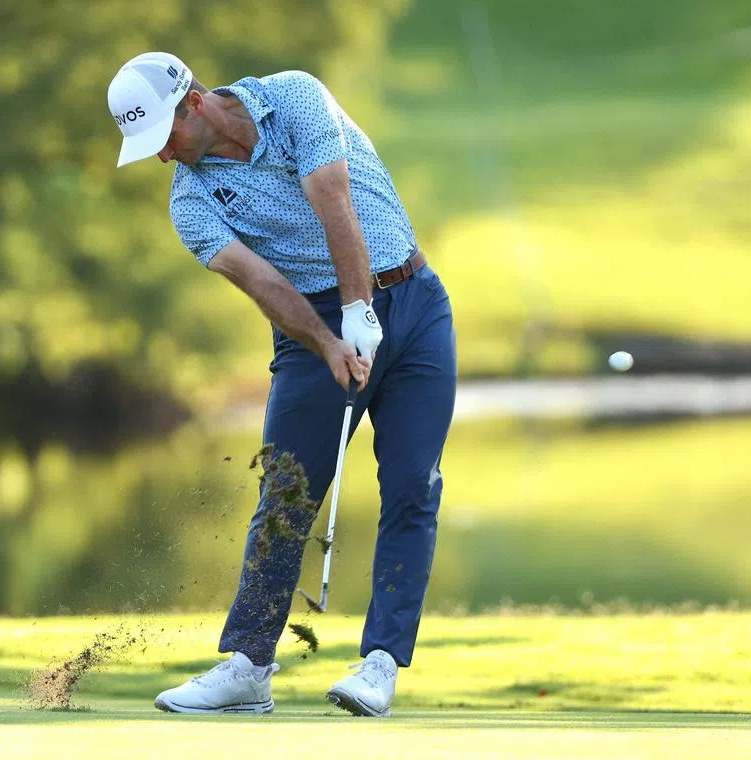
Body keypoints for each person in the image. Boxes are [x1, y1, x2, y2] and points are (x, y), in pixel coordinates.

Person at [107, 52, 457, 717]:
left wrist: (360, 309)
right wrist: (329, 340)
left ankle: (380, 665)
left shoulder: (295, 97)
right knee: (286, 493)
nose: (163, 156)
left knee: (414, 485)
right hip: (310, 323)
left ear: (195, 102)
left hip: (414, 302)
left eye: (165, 137)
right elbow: (262, 282)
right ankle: (248, 666)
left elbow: (334, 200)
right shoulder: (190, 201)